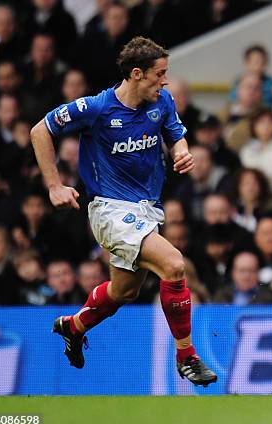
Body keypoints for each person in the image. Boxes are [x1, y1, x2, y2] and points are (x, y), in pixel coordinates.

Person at [29, 37, 216, 385]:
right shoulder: (96, 108)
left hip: (147, 211)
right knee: (174, 265)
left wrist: (181, 151)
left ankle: (74, 326)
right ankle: (187, 357)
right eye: (159, 74)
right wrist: (54, 185)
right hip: (110, 210)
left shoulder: (162, 102)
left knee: (124, 292)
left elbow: (177, 134)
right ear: (136, 74)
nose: (164, 81)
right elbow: (40, 130)